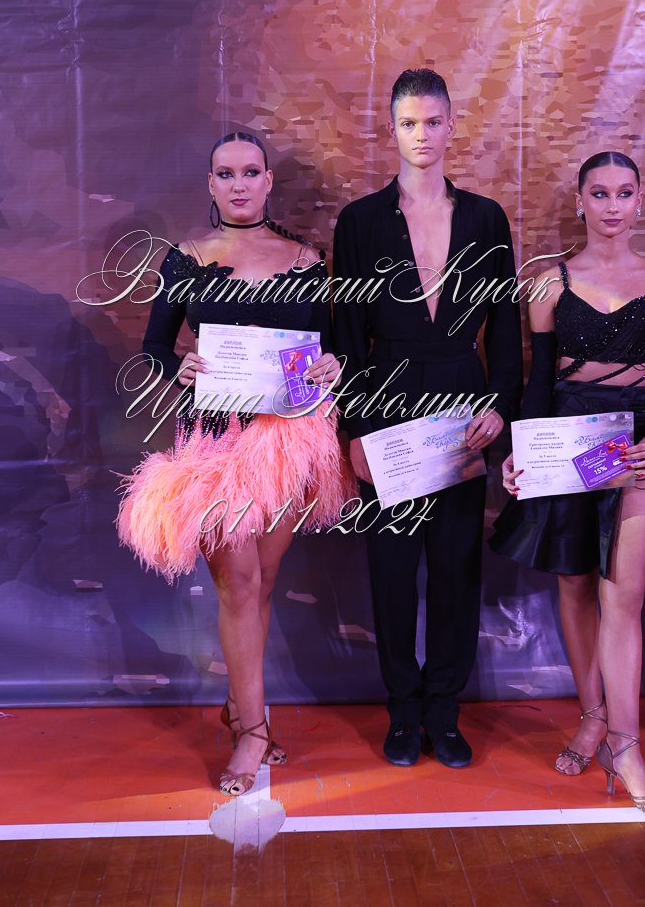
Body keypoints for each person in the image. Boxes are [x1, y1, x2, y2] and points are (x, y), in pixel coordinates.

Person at [117, 131, 355, 796]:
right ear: (211, 184)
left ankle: (240, 706)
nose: (239, 184)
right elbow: (155, 346)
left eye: (251, 172)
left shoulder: (308, 259)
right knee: (240, 583)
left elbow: (332, 347)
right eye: (226, 173)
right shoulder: (187, 259)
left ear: (268, 180)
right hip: (218, 440)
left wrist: (333, 364)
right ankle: (252, 729)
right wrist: (178, 366)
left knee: (264, 579)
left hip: (289, 438)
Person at [332, 69, 523, 768]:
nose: (421, 135)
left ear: (451, 126)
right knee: (391, 570)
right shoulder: (359, 222)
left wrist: (498, 403)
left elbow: (506, 328)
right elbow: (345, 335)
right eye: (409, 123)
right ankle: (403, 713)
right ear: (392, 129)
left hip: (461, 403)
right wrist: (353, 430)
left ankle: (444, 712)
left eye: (433, 121)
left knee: (456, 567)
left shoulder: (486, 218)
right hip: (386, 401)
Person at [490, 151, 645, 811]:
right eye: (599, 193)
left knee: (623, 596)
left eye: (625, 192)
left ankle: (626, 744)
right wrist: (519, 451)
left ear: (639, 200)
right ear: (580, 201)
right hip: (569, 442)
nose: (612, 205)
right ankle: (592, 716)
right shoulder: (548, 281)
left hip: (635, 447)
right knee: (576, 585)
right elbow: (538, 380)